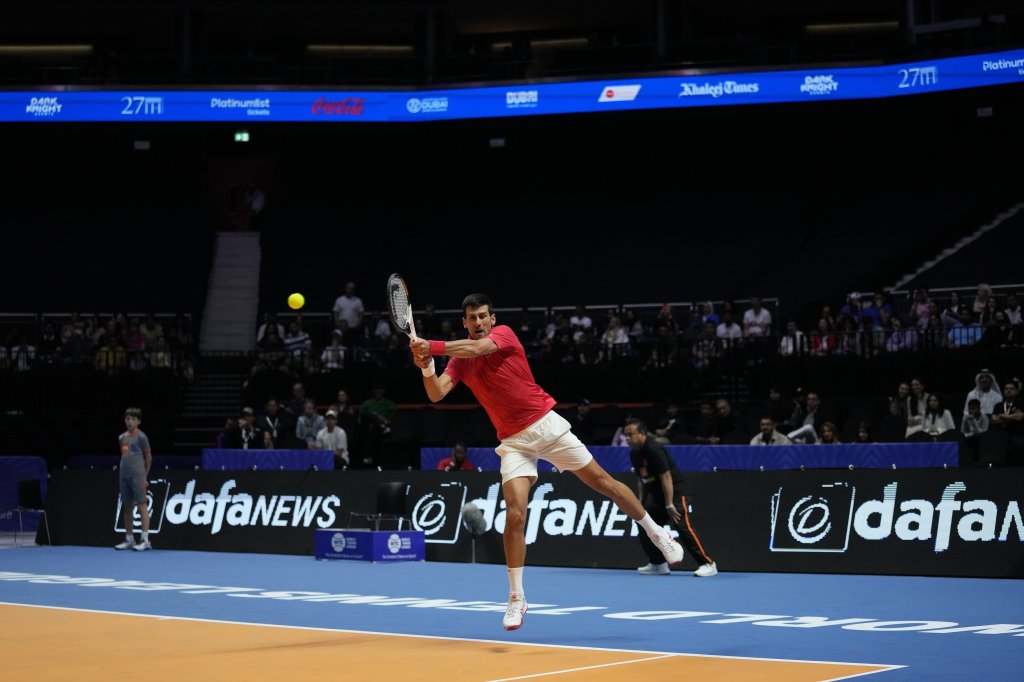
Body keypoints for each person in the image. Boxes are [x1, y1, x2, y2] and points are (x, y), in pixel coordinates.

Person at [409, 293, 684, 631]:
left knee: (604, 484)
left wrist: (432, 346)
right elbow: (436, 393)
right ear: (464, 322)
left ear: (492, 319)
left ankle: (657, 533)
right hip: (514, 443)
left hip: (545, 426)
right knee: (515, 515)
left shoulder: (503, 335)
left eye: (483, 316)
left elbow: (478, 349)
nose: (478, 322)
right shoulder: (460, 359)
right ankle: (516, 597)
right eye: (472, 318)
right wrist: (427, 365)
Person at [623, 419, 717, 577]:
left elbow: (666, 476)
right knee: (644, 524)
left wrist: (669, 504)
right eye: (625, 435)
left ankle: (708, 563)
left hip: (676, 494)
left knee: (682, 526)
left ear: (642, 433)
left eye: (630, 434)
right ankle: (658, 564)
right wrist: (640, 504)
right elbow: (642, 480)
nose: (627, 438)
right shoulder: (634, 454)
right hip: (658, 496)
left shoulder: (654, 449)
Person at [115, 407, 153, 551]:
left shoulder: (142, 437)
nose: (129, 422)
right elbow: (126, 455)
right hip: (124, 476)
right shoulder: (122, 437)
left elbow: (148, 457)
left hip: (138, 476)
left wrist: (145, 476)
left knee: (142, 506)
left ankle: (145, 540)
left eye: (133, 419)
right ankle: (129, 539)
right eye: (127, 419)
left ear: (138, 421)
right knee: (127, 506)